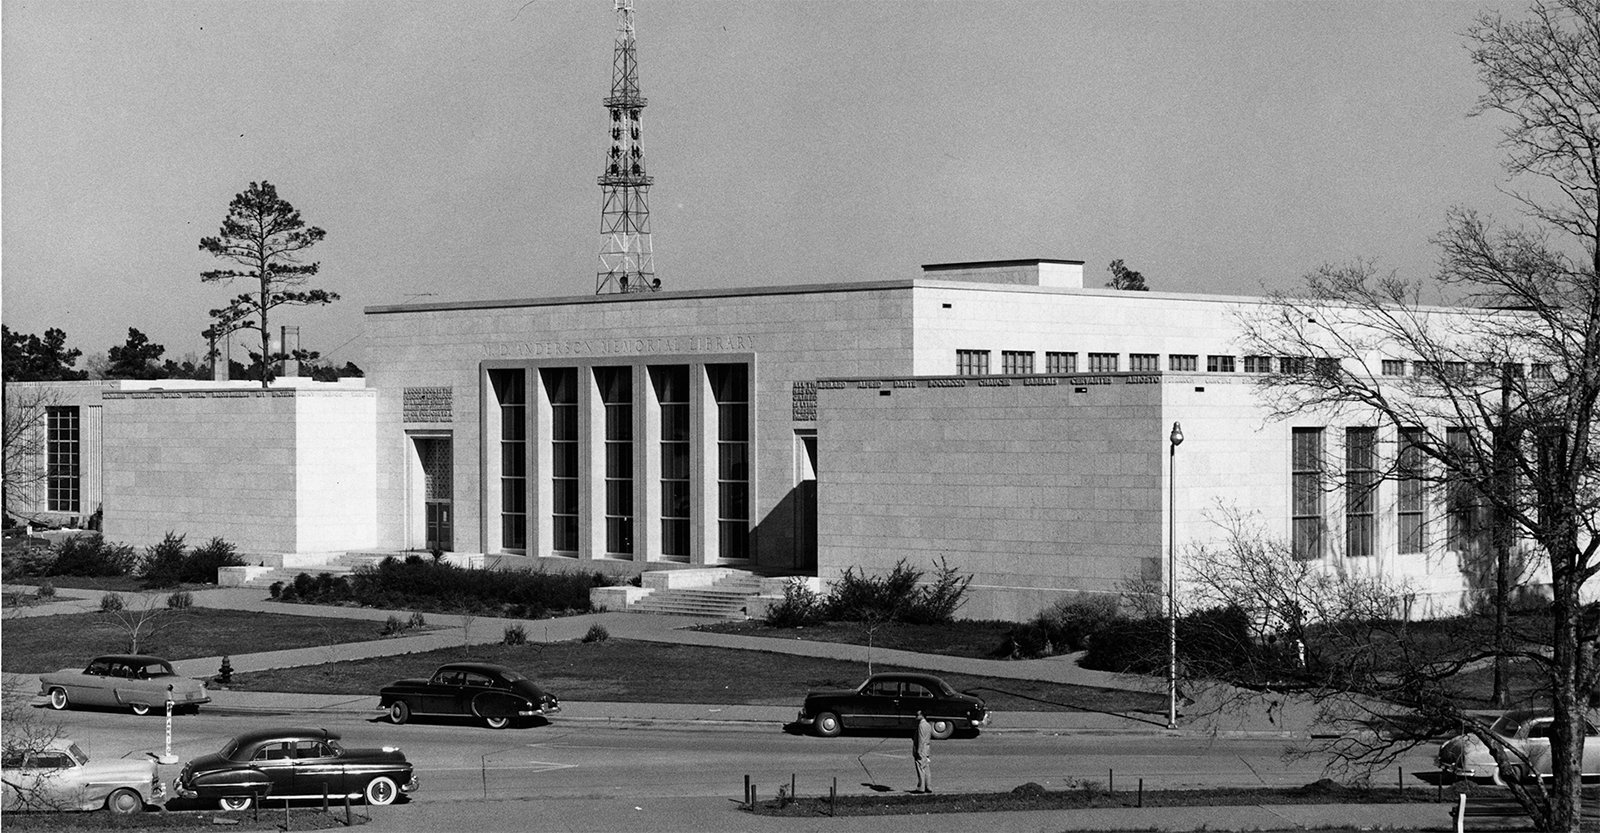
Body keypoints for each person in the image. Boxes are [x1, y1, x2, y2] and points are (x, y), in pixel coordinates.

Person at [912, 710, 933, 793]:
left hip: (922, 749)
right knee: (926, 768)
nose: (916, 716)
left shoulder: (921, 725)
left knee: (920, 768)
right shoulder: (928, 725)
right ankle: (929, 786)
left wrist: (918, 751)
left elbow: (921, 739)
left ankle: (921, 787)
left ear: (922, 715)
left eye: (917, 715)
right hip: (927, 748)